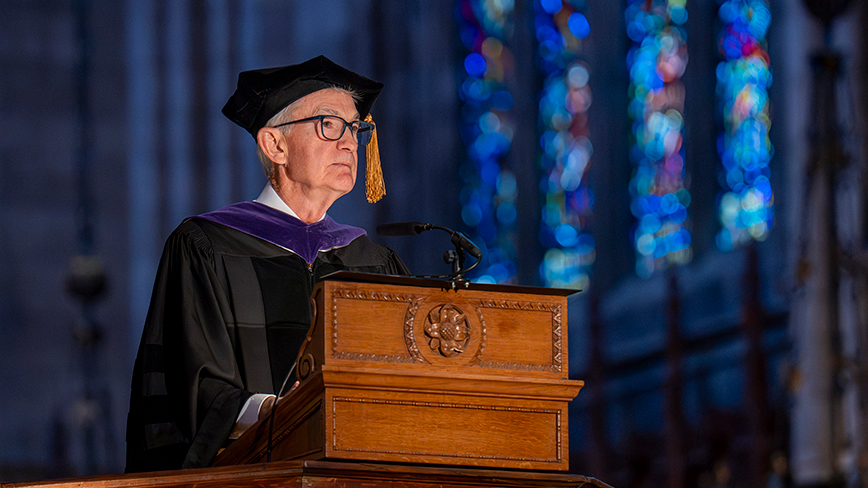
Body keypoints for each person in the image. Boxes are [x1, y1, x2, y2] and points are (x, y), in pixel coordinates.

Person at [125, 55, 408, 472]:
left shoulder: (373, 262)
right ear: (274, 144)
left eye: (356, 128)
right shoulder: (206, 246)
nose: (350, 142)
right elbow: (186, 382)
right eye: (330, 124)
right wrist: (274, 411)